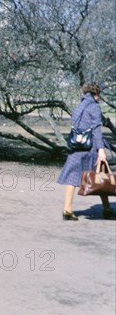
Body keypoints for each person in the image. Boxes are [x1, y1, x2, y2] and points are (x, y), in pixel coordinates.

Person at [58, 82, 115, 221]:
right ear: (96, 94)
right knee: (101, 175)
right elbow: (96, 129)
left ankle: (67, 210)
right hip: (90, 147)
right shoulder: (94, 107)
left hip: (76, 146)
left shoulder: (79, 106)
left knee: (72, 177)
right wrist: (101, 149)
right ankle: (107, 208)